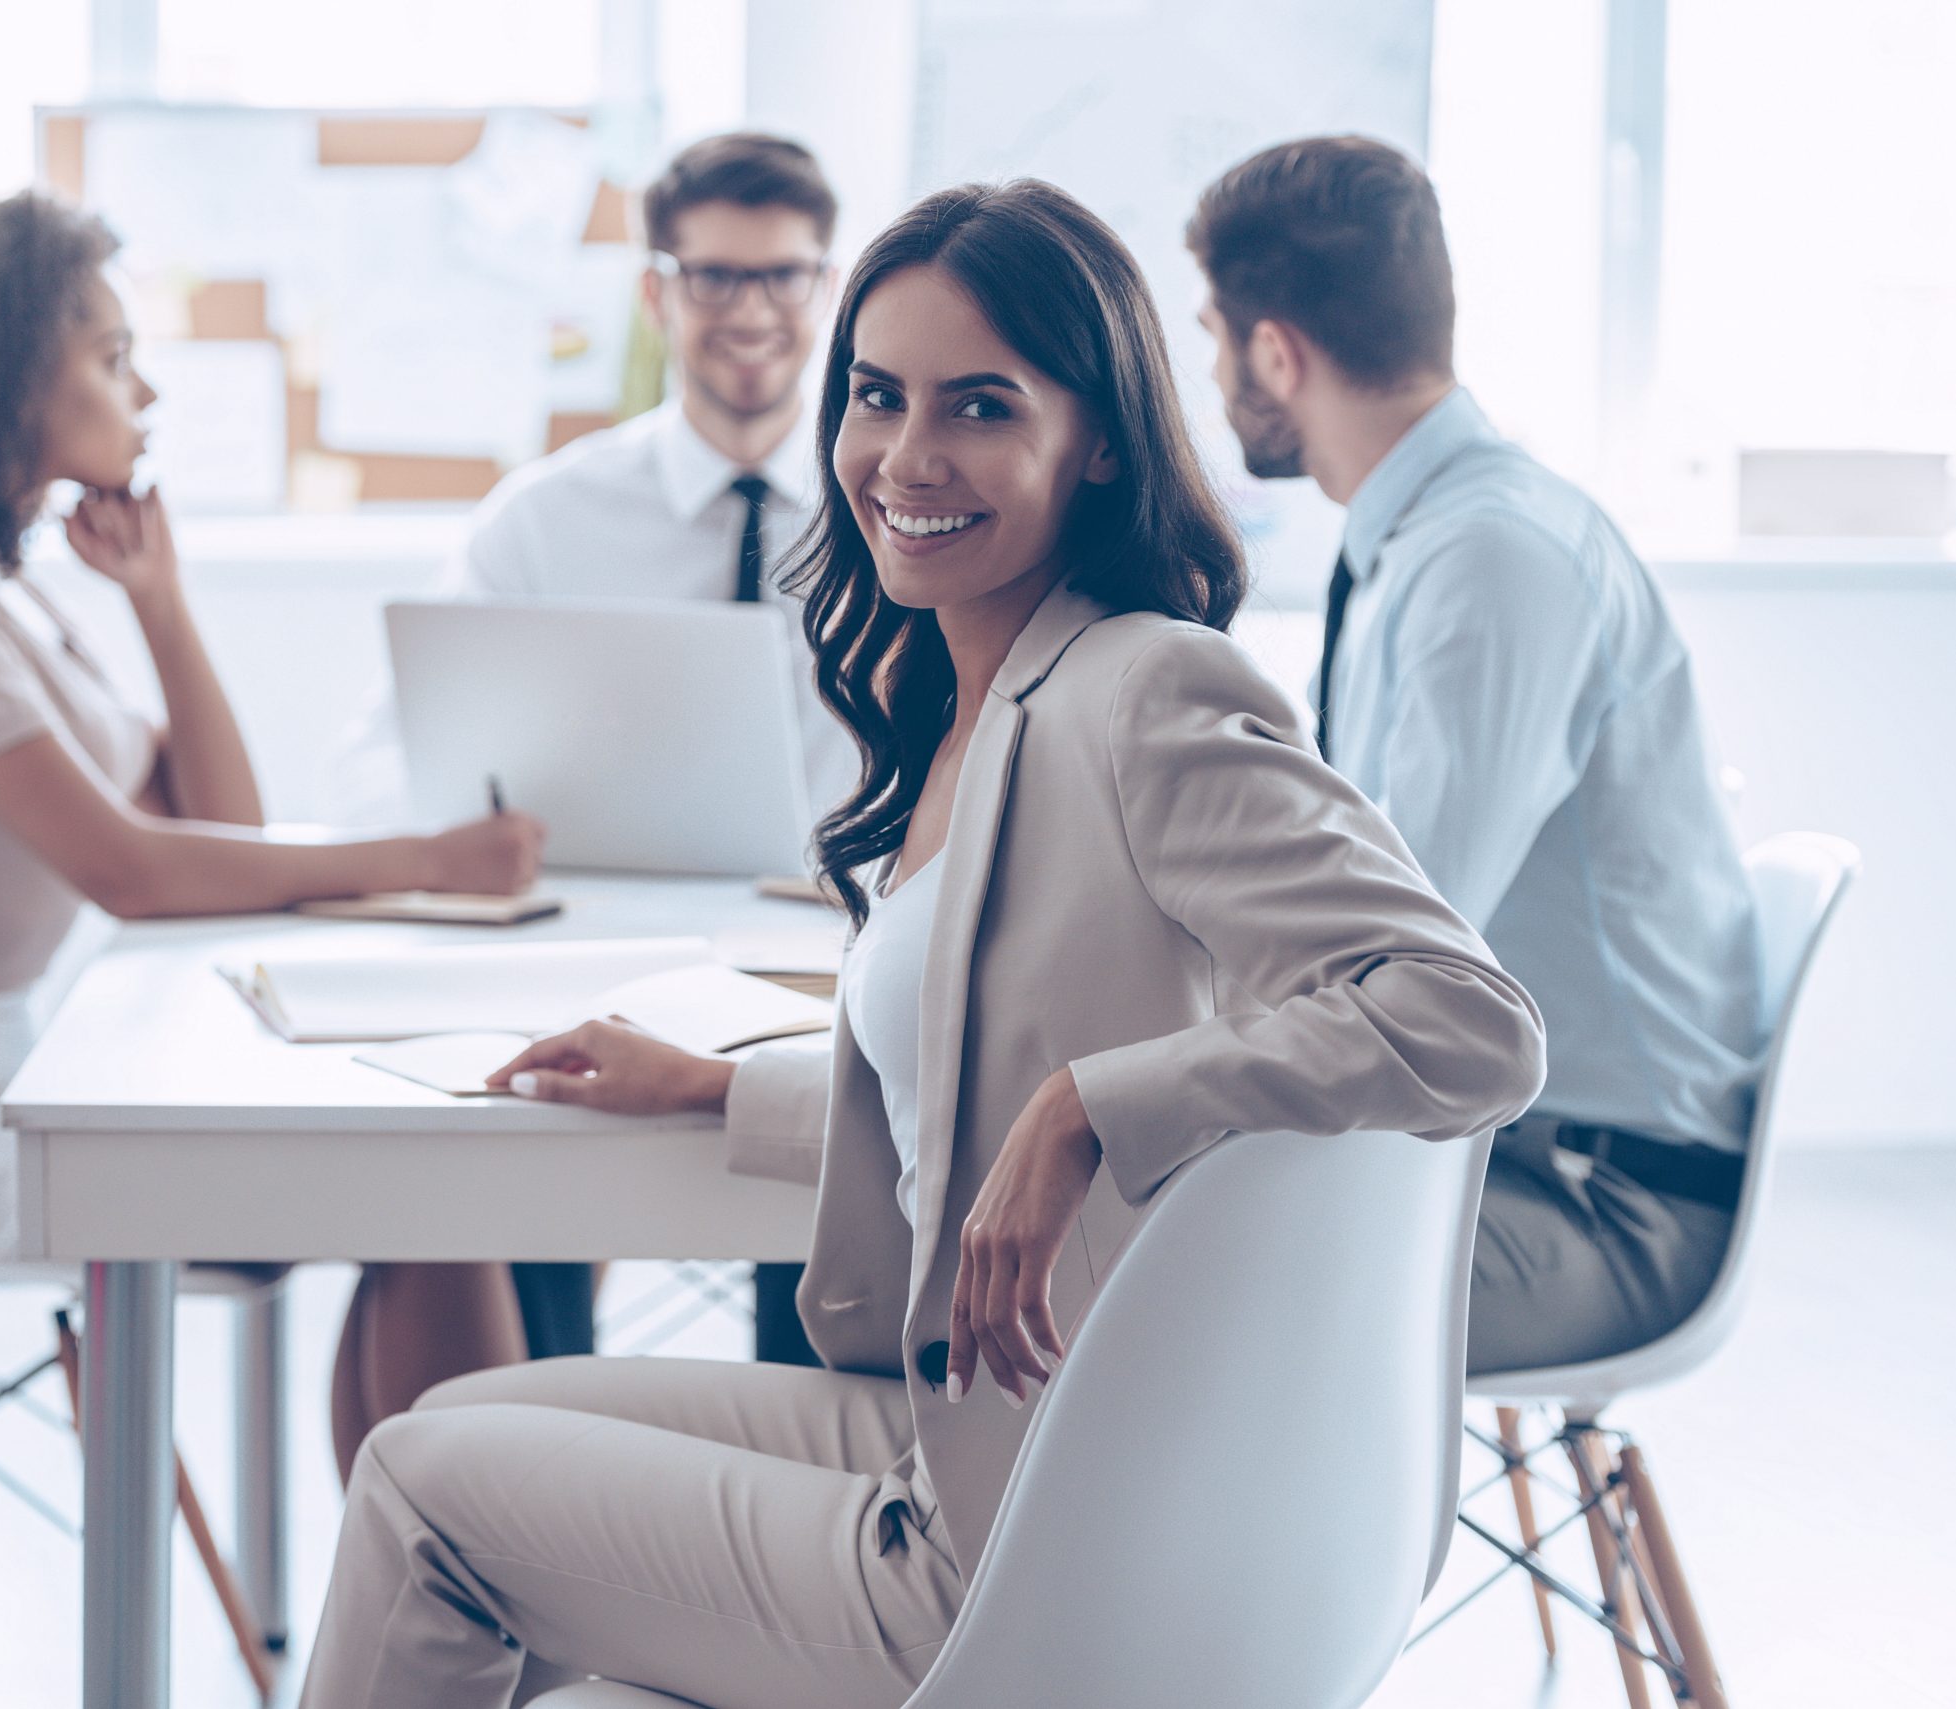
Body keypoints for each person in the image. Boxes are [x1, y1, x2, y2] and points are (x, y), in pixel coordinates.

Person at [293, 179, 1547, 1709]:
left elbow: (1470, 1018)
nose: (907, 455)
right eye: (877, 397)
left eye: (980, 406)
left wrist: (1092, 1102)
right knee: (482, 1411)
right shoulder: (990, 707)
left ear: (1095, 444)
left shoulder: (1145, 691)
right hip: (974, 1429)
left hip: (1025, 1538)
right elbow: (980, 1072)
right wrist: (716, 1087)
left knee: (423, 1482)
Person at [0, 192, 546, 1471]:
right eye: (113, 356)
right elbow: (134, 873)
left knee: (427, 1190)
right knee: (426, 1194)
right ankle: (458, 1613)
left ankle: (444, 1604)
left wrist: (160, 603)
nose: (147, 388)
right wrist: (427, 857)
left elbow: (216, 828)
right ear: (9, 378)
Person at [1185, 137, 1764, 1375]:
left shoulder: (1494, 562)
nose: (1214, 370)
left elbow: (1401, 956)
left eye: (1215, 337)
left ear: (1274, 351)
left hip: (1603, 1210)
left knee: (1116, 1273)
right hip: (1511, 1157)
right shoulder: (1429, 541)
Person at [345, 131, 855, 1368]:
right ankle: (534, 1479)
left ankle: (794, 1516)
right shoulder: (547, 519)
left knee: (837, 1184)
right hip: (594, 960)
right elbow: (385, 758)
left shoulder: (891, 505)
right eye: (716, 276)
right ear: (657, 293)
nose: (752, 311)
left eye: (783, 276)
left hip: (825, 976)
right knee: (497, 1166)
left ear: (824, 290)